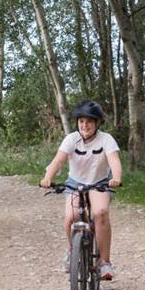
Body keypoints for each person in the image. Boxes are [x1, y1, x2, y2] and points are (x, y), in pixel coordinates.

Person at [39, 100, 123, 280]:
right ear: (77, 123)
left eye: (89, 121)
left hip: (99, 182)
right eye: (81, 121)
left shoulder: (106, 139)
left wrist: (116, 178)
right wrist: (48, 178)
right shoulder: (71, 139)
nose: (85, 125)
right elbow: (58, 160)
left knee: (100, 212)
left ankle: (104, 262)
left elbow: (114, 160)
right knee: (71, 216)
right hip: (75, 182)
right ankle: (71, 250)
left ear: (97, 123)